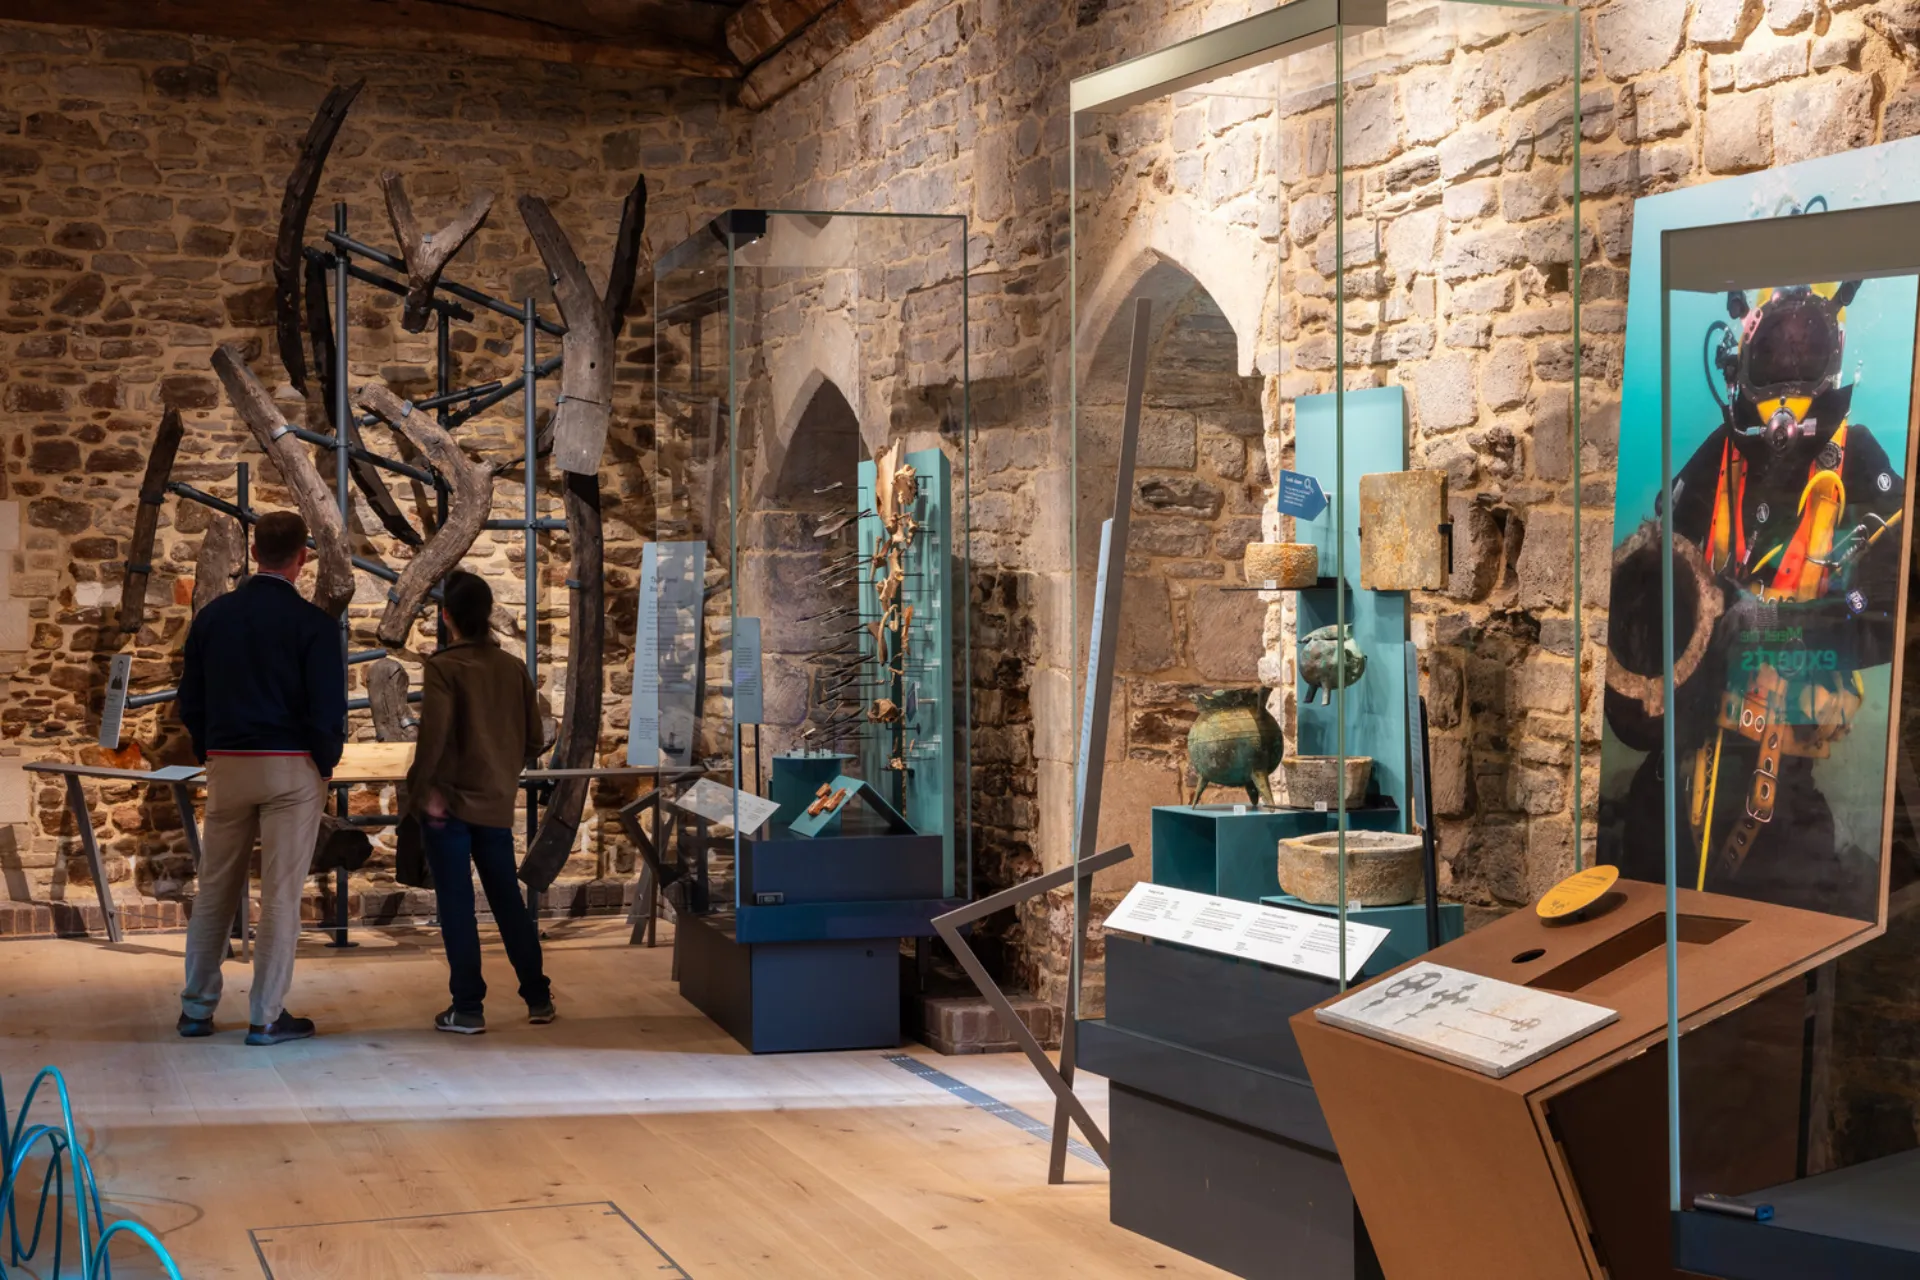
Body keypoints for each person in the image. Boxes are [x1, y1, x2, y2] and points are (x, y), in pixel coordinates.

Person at [177, 510, 345, 1046]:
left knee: (214, 890)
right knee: (280, 896)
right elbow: (327, 709)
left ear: (254, 553)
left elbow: (191, 701)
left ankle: (196, 1008)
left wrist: (211, 751)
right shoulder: (314, 625)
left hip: (227, 762)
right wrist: (324, 763)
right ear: (302, 558)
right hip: (291, 764)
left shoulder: (212, 618)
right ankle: (265, 1014)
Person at [404, 569, 554, 1034]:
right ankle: (538, 996)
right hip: (494, 801)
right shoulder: (513, 669)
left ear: (447, 616)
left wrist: (420, 790)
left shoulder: (444, 668)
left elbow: (433, 738)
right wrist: (502, 771)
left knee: (456, 904)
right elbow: (535, 738)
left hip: (447, 804)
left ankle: (467, 1007)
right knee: (507, 900)